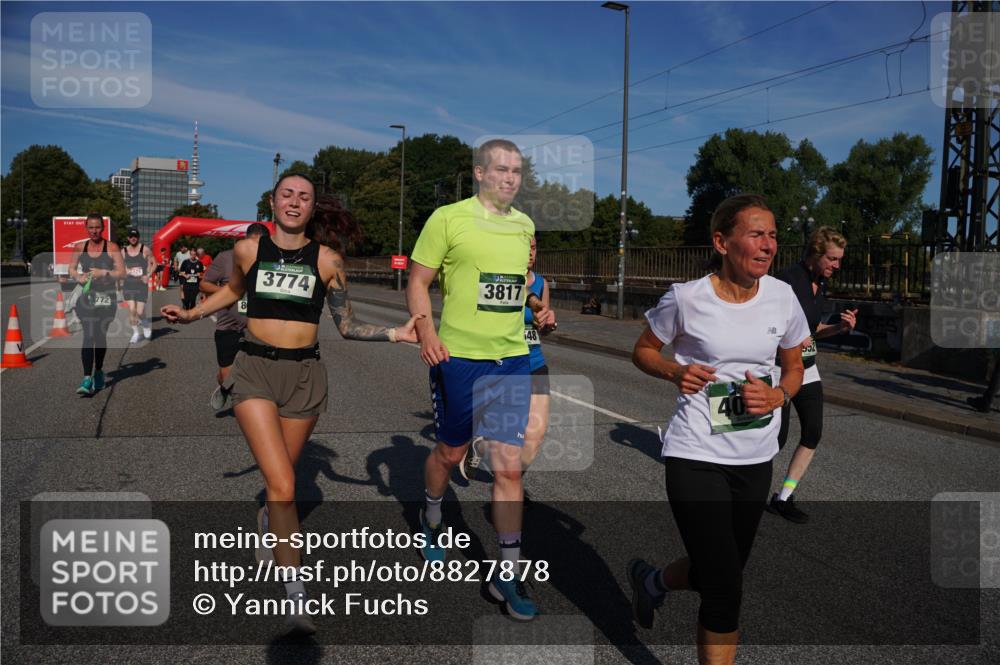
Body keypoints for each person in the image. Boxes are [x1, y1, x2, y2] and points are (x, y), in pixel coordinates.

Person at [162, 174, 419, 636]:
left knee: (280, 482)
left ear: (313, 207)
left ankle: (267, 518)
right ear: (273, 202)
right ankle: (296, 592)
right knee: (283, 484)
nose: (294, 202)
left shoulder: (328, 261)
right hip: (255, 369)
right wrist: (191, 313)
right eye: (287, 195)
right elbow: (233, 292)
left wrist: (396, 334)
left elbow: (346, 325)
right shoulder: (248, 251)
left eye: (304, 197)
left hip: (305, 376)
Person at [627, 194, 810, 664]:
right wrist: (672, 371)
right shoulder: (688, 298)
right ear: (722, 241)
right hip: (696, 453)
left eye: (772, 234)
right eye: (755, 234)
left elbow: (795, 368)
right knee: (726, 587)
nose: (768, 245)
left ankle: (653, 582)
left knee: (717, 572)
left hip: (755, 457)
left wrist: (778, 396)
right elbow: (644, 350)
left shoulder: (782, 296)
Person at [407, 139, 554, 622]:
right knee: (449, 452)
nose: (510, 178)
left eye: (517, 171)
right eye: (501, 170)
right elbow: (417, 280)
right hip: (459, 358)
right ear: (480, 173)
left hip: (511, 358)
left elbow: (517, 287)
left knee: (509, 468)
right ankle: (430, 516)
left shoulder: (525, 225)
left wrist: (540, 310)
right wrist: (426, 330)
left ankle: (506, 575)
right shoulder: (448, 218)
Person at [767, 227, 857, 523]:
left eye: (839, 259)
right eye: (832, 258)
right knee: (774, 440)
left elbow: (813, 331)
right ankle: (744, 488)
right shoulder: (785, 280)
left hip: (808, 369)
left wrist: (840, 329)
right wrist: (791, 337)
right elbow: (765, 322)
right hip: (779, 370)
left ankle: (783, 497)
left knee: (813, 433)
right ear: (816, 253)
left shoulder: (821, 283)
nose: (836, 265)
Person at [461, 234, 556, 491]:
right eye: (525, 249)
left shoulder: (541, 284)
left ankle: (508, 480)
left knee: (534, 438)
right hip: (504, 363)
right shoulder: (498, 281)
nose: (530, 254)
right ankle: (504, 480)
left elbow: (541, 327)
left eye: (534, 248)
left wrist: (546, 324)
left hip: (534, 362)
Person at [200, 223, 270, 411]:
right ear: (244, 241)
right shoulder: (225, 258)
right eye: (252, 243)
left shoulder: (271, 261)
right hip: (228, 325)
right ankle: (224, 386)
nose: (256, 249)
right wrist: (231, 292)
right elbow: (205, 285)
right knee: (227, 374)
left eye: (261, 245)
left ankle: (249, 408)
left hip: (257, 326)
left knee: (259, 372)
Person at [68, 213, 126, 395]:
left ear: (103, 228)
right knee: (89, 334)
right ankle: (86, 379)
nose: (94, 231)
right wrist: (78, 276)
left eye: (97, 227)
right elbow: (71, 268)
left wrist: (104, 273)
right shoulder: (79, 247)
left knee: (100, 336)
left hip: (107, 297)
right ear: (86, 228)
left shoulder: (112, 247)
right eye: (91, 227)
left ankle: (99, 370)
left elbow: (122, 272)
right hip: (87, 295)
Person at [121, 228, 155, 344]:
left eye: (135, 236)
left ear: (138, 237)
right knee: (132, 310)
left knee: (140, 312)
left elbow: (154, 263)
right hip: (128, 284)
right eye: (131, 236)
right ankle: (135, 333)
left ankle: (145, 325)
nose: (133, 238)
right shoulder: (123, 251)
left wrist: (148, 275)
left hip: (141, 285)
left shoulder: (145, 249)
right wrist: (125, 271)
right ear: (128, 238)